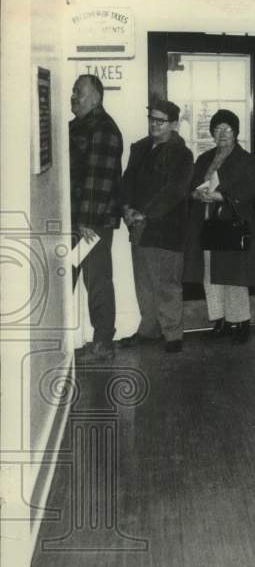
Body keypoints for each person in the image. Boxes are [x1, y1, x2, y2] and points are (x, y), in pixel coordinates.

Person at [120, 99, 194, 354]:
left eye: (160, 121)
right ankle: (149, 330)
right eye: (151, 118)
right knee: (144, 282)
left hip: (166, 229)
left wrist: (146, 214)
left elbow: (175, 191)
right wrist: (127, 208)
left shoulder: (182, 154)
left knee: (167, 283)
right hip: (138, 227)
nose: (154, 124)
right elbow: (127, 180)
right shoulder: (139, 147)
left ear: (173, 124)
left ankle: (173, 335)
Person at [183, 109, 255, 345]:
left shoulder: (244, 159)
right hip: (206, 224)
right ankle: (220, 321)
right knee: (209, 274)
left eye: (227, 129)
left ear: (236, 132)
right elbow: (191, 186)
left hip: (231, 224)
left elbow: (251, 189)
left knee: (233, 276)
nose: (222, 133)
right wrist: (196, 193)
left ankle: (242, 323)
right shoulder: (204, 159)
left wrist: (221, 197)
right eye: (217, 129)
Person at [68, 74, 124, 363]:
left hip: (91, 223)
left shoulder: (102, 129)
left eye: (78, 91)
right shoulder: (83, 125)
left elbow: (96, 181)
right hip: (83, 221)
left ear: (95, 96)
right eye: (73, 91)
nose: (73, 96)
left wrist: (86, 222)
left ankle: (103, 343)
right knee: (75, 277)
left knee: (97, 280)